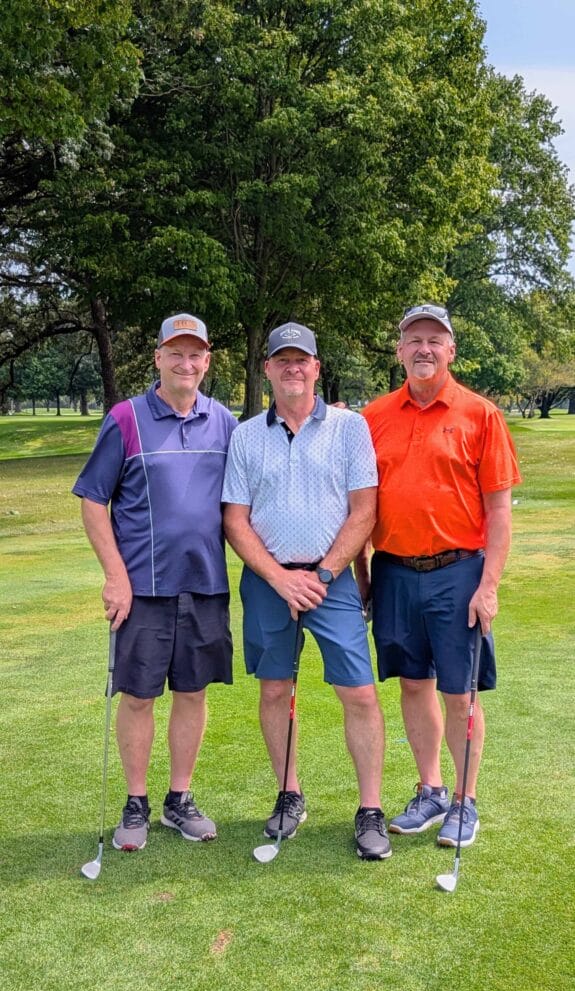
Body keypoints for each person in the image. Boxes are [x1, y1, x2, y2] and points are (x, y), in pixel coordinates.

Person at [222, 322, 391, 860]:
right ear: (267, 369)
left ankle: (370, 809)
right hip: (269, 581)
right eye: (282, 360)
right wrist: (280, 578)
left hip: (330, 582)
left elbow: (364, 510)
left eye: (302, 359)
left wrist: (321, 575)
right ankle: (289, 793)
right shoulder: (246, 436)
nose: (292, 367)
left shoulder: (349, 428)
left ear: (316, 367)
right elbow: (235, 519)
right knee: (274, 690)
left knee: (359, 693)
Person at [355, 303, 522, 848]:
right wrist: (362, 573)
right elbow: (361, 504)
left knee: (460, 692)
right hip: (395, 571)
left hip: (459, 572)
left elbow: (499, 511)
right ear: (399, 350)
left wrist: (489, 585)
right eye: (414, 339)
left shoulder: (480, 414)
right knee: (412, 683)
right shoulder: (373, 417)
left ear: (450, 349)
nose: (424, 348)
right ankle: (430, 790)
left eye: (434, 340)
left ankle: (464, 800)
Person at [73, 313, 237, 852]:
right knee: (139, 696)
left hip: (205, 584)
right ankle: (136, 801)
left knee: (192, 693)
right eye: (175, 353)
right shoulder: (126, 418)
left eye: (195, 354)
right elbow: (93, 501)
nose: (185, 363)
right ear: (158, 358)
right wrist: (114, 576)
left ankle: (179, 799)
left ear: (206, 361)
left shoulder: (225, 423)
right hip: (142, 588)